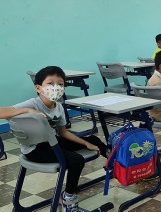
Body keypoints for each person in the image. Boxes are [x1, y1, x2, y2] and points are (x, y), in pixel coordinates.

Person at [0, 66, 107, 212]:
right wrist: (27, 110)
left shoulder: (59, 107)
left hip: (53, 143)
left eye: (60, 84)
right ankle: (68, 197)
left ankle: (113, 164)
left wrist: (85, 143)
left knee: (94, 140)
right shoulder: (33, 103)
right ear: (38, 88)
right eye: (50, 84)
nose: (56, 87)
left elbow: (63, 132)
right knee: (76, 160)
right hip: (35, 150)